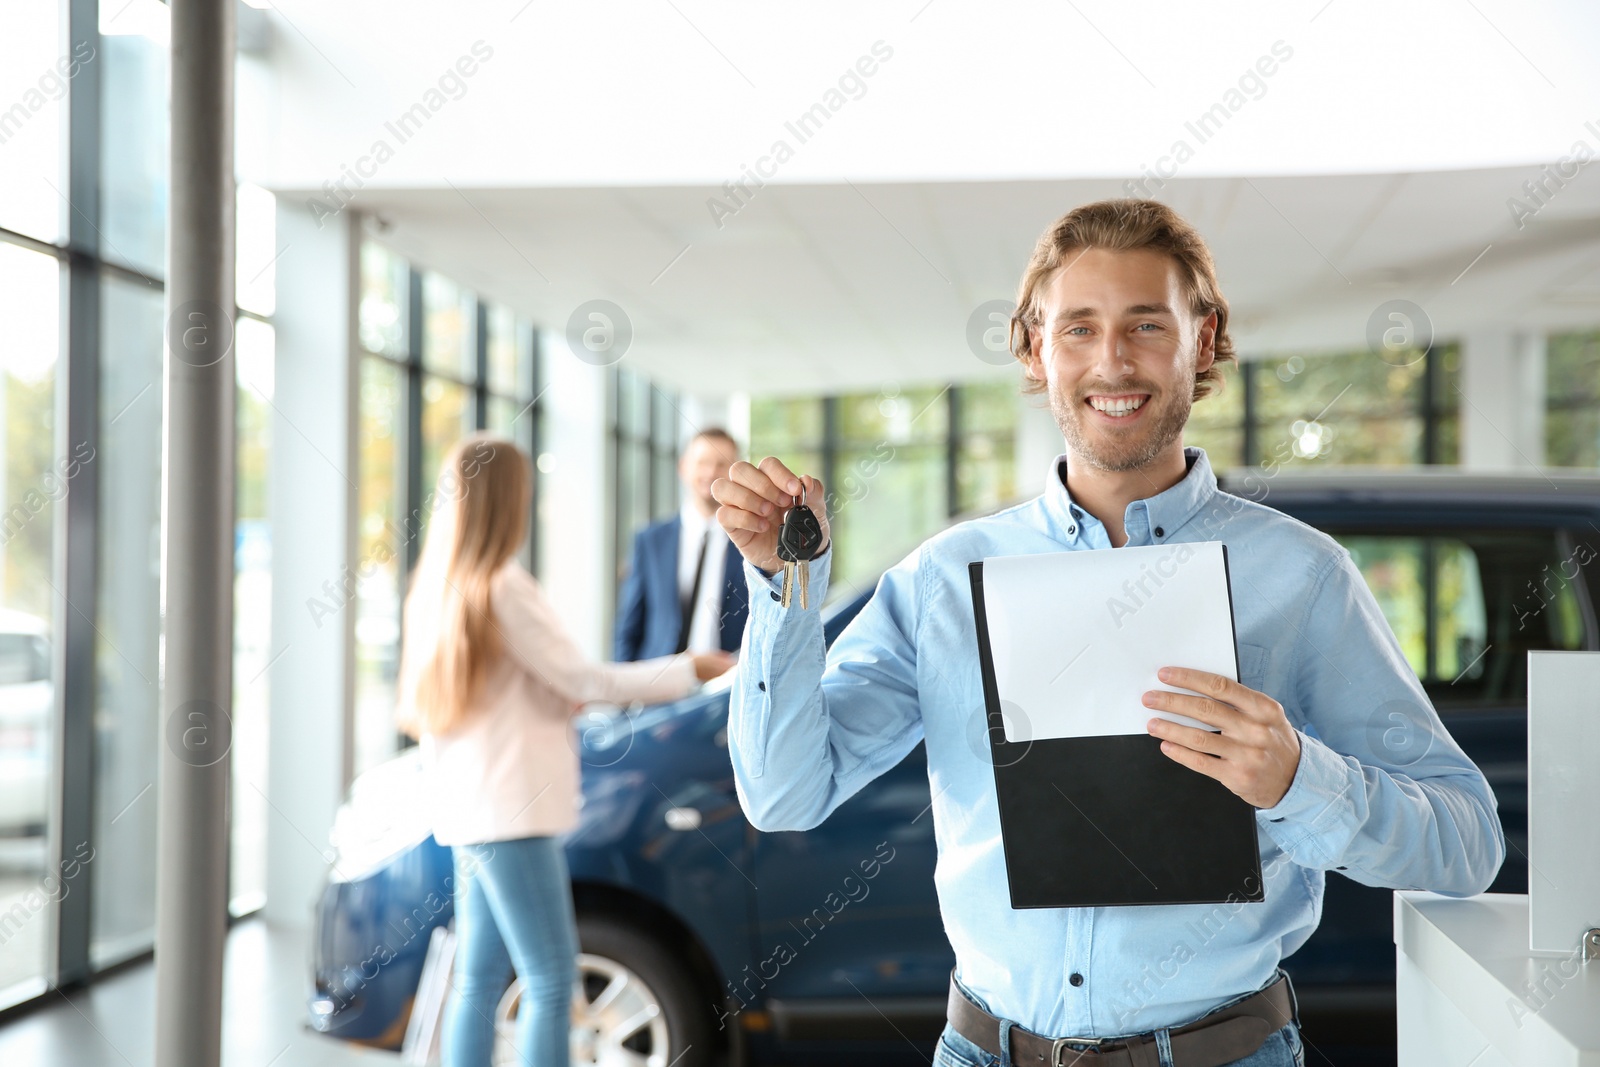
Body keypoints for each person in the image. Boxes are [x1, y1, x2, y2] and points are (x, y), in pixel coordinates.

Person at [712, 200, 1503, 1067]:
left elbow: (1467, 842)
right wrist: (785, 585)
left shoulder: (1304, 578)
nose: (1113, 361)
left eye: (1147, 325)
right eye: (1079, 327)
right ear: (1033, 347)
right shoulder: (942, 580)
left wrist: (1298, 779)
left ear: (1203, 342)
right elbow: (784, 794)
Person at [397, 434, 732, 1067]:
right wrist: (697, 667)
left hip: (470, 812)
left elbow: (506, 696)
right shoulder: (504, 587)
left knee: (477, 978)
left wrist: (555, 697)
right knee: (551, 979)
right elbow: (588, 682)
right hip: (515, 815)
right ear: (508, 498)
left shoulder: (442, 589)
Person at [615, 428, 749, 662]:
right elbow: (628, 627)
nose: (710, 472)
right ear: (683, 467)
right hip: (659, 685)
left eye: (721, 464)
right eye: (702, 462)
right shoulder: (650, 541)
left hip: (727, 685)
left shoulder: (750, 545)